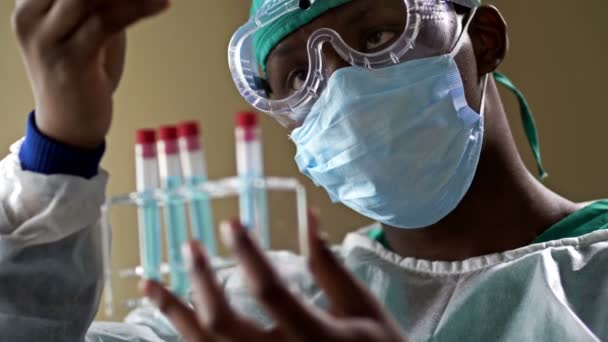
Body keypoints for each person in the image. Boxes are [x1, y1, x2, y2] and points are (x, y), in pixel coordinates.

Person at [0, 0, 606, 341]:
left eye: (375, 34)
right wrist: (61, 145)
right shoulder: (263, 311)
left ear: (486, 39)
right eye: (296, 75)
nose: (341, 85)